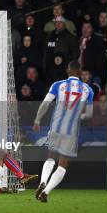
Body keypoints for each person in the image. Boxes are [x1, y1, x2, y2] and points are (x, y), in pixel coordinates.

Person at [32, 60, 94, 203]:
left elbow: (45, 104)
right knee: (63, 164)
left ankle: (43, 181)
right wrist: (79, 115)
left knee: (50, 157)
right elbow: (89, 114)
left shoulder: (57, 85)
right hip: (71, 132)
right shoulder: (88, 90)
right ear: (79, 72)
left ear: (67, 70)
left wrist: (37, 120)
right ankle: (46, 191)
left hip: (56, 127)